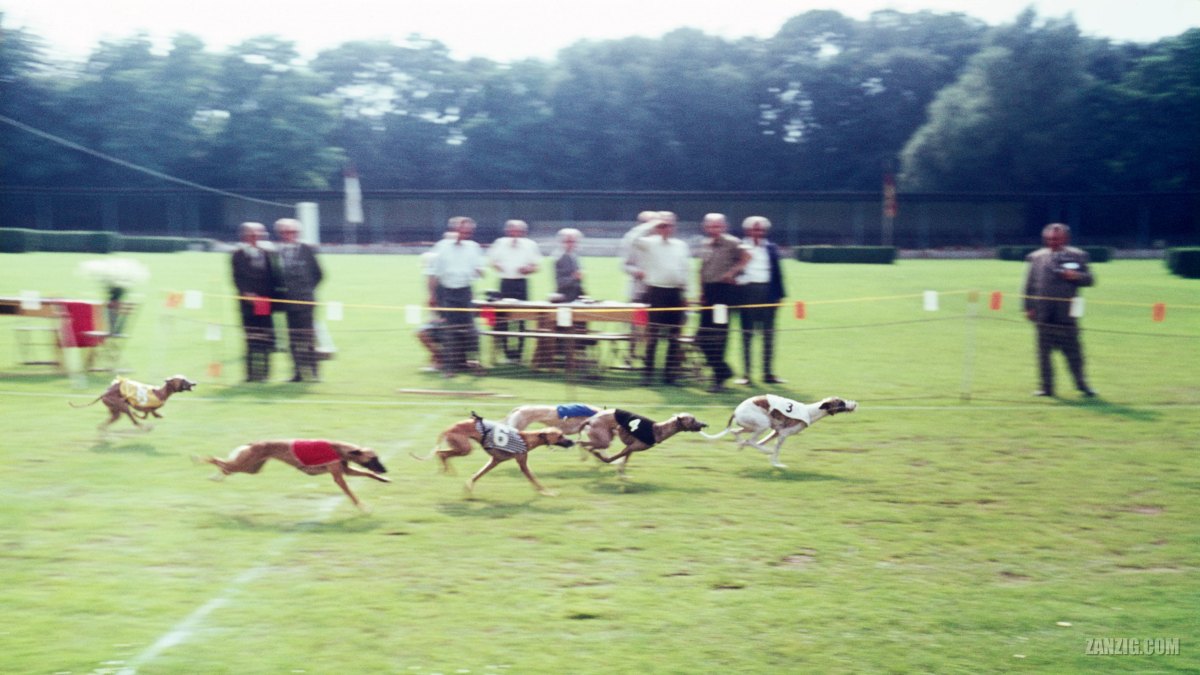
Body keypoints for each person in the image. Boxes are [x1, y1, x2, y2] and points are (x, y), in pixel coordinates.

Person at [1023, 223, 1097, 397]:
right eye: (1049, 239)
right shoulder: (1036, 257)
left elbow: (1090, 280)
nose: (1052, 242)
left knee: (1074, 353)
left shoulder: (1078, 256)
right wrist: (1028, 307)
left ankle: (1082, 385)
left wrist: (1076, 276)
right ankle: (1046, 388)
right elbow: (1029, 285)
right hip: (1043, 313)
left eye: (1056, 239)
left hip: (1067, 314)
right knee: (1043, 354)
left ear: (1066, 239)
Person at [633, 216, 691, 385]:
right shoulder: (649, 243)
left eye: (670, 225)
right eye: (663, 226)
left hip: (676, 293)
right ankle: (648, 375)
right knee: (653, 336)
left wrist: (686, 293)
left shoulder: (681, 245)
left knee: (674, 337)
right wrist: (651, 224)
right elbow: (631, 240)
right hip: (656, 292)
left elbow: (685, 270)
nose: (667, 229)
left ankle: (670, 375)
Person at [697, 213, 750, 393]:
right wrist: (701, 291)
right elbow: (702, 270)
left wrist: (732, 272)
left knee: (718, 336)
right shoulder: (705, 244)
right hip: (708, 294)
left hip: (723, 294)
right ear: (705, 227)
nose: (714, 229)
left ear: (724, 227)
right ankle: (724, 370)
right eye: (711, 226)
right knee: (700, 337)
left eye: (718, 226)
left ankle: (719, 379)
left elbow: (747, 256)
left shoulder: (732, 242)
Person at [429, 216, 485, 375]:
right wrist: (432, 296)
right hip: (446, 293)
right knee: (449, 331)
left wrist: (480, 271)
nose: (466, 234)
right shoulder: (442, 247)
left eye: (469, 232)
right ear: (455, 230)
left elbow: (480, 270)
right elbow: (433, 274)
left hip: (465, 292)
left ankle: (473, 363)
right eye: (463, 231)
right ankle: (449, 367)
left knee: (471, 330)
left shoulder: (474, 247)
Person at [735, 216, 786, 385]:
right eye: (755, 229)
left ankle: (768, 373)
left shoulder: (771, 248)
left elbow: (778, 273)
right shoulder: (740, 247)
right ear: (748, 231)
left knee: (768, 336)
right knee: (747, 335)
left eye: (761, 230)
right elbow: (735, 270)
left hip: (768, 294)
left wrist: (780, 295)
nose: (758, 233)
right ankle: (746, 375)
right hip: (747, 293)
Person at [272, 217, 324, 382]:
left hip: (305, 302)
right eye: (285, 232)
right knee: (293, 340)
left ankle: (314, 373)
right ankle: (298, 373)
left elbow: (319, 274)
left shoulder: (307, 249)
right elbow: (274, 277)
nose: (289, 235)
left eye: (292, 232)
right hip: (287, 304)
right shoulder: (275, 252)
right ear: (279, 234)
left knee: (308, 338)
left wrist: (305, 291)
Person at [487, 219, 542, 362]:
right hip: (505, 283)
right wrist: (497, 265)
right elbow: (491, 261)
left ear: (524, 233)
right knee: (503, 319)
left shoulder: (530, 245)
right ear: (507, 231)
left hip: (521, 283)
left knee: (521, 320)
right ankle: (507, 354)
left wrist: (528, 269)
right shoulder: (499, 243)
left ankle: (519, 354)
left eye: (519, 232)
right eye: (513, 231)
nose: (516, 234)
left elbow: (537, 266)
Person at [231, 221, 276, 382]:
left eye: (260, 235)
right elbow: (237, 278)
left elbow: (273, 277)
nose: (256, 238)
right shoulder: (238, 255)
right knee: (251, 339)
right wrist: (247, 294)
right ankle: (251, 374)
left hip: (264, 302)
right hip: (247, 303)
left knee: (265, 338)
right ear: (244, 236)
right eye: (252, 235)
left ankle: (264, 374)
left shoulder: (268, 253)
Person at [554, 228, 585, 302]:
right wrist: (574, 277)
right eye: (568, 241)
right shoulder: (561, 258)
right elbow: (560, 282)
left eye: (574, 241)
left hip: (576, 293)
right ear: (562, 242)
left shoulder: (574, 255)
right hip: (566, 295)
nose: (572, 244)